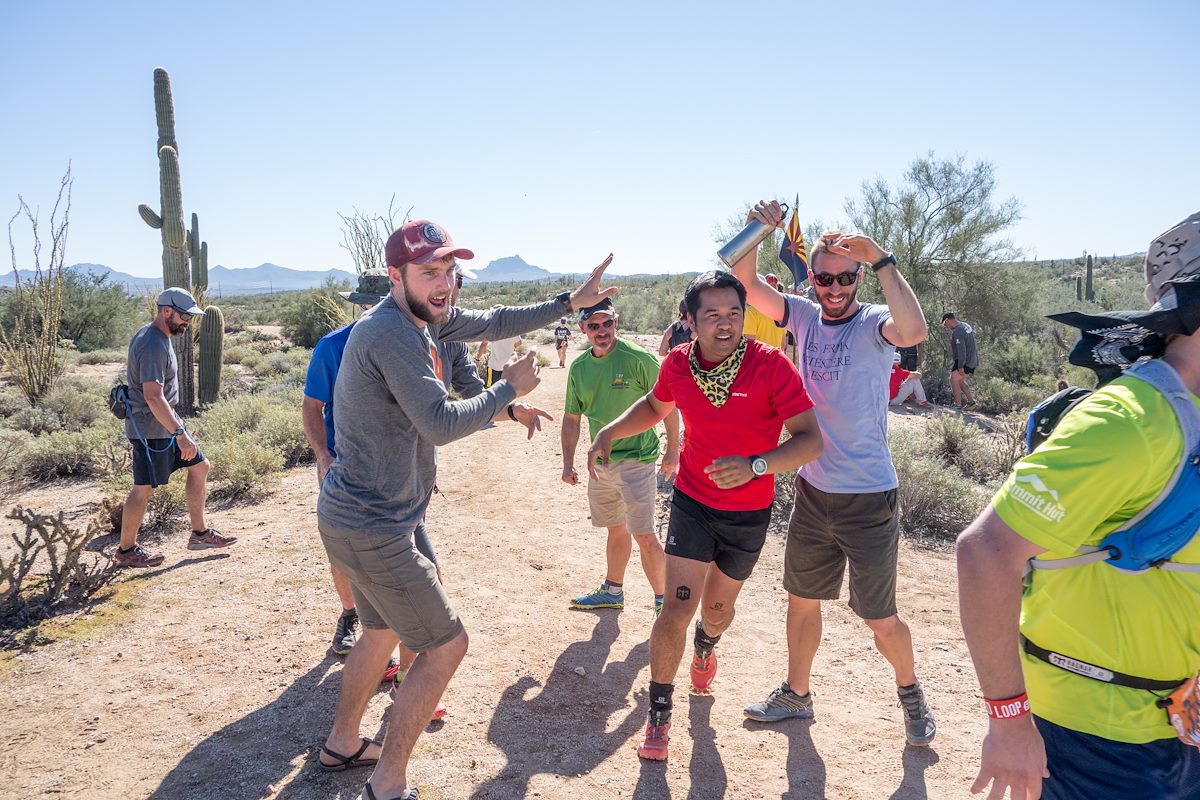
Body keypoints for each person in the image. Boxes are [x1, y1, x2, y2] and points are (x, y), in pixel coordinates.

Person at [315, 217, 616, 799]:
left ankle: (343, 743)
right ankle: (388, 782)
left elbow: (498, 321)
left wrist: (566, 301)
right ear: (394, 275)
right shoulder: (392, 334)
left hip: (362, 515)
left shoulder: (423, 318)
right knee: (444, 645)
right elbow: (440, 422)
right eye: (429, 271)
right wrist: (508, 390)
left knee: (377, 632)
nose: (443, 283)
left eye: (449, 270)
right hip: (374, 522)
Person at [957, 211, 1200, 800]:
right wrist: (1009, 723)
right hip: (1096, 738)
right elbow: (985, 553)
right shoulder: (1131, 421)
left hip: (1174, 722)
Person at [587, 270, 822, 762]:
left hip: (748, 513)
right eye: (712, 314)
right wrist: (610, 428)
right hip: (693, 503)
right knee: (675, 608)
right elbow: (655, 405)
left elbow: (810, 440)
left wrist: (756, 465)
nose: (725, 323)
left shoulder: (771, 366)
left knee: (715, 614)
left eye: (734, 313)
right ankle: (659, 714)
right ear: (690, 320)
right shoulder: (677, 364)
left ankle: (706, 646)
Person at [731, 200, 936, 747]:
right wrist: (760, 228)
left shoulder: (873, 324)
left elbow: (913, 330)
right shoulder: (800, 314)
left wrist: (885, 258)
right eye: (824, 278)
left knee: (879, 617)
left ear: (858, 276)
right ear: (814, 279)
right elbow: (744, 281)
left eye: (846, 277)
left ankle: (911, 692)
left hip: (868, 496)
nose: (834, 287)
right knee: (802, 600)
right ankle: (797, 695)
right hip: (814, 490)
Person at [303, 265, 481, 662]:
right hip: (349, 473)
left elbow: (435, 409)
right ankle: (352, 617)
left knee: (409, 568)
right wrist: (323, 456)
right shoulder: (333, 346)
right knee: (354, 563)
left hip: (402, 475)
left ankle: (398, 659)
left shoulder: (428, 340)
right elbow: (313, 406)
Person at [562, 298, 680, 617]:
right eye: (594, 325)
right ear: (582, 328)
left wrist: (673, 449)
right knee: (616, 528)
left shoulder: (639, 359)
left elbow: (668, 404)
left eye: (607, 323)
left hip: (638, 459)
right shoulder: (580, 367)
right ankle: (613, 592)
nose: (602, 331)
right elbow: (572, 418)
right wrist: (568, 462)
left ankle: (664, 603)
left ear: (617, 322)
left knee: (643, 533)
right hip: (601, 465)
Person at [114, 287, 236, 568]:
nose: (188, 323)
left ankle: (200, 534)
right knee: (144, 488)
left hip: (165, 425)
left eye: (191, 317)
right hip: (151, 430)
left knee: (200, 466)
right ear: (166, 311)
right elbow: (153, 396)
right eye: (184, 316)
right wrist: (179, 434)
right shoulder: (153, 343)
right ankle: (126, 550)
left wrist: (177, 429)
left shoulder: (158, 336)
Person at [942, 312, 978, 409]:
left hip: (965, 360)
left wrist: (961, 366)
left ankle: (957, 404)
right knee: (960, 381)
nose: (947, 327)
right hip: (972, 359)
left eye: (946, 324)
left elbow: (962, 350)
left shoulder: (957, 331)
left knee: (953, 379)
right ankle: (971, 403)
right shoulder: (965, 325)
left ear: (948, 320)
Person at [743, 272, 787, 349]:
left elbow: (749, 345)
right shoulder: (782, 311)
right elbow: (783, 344)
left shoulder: (751, 312)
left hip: (760, 360)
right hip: (777, 358)